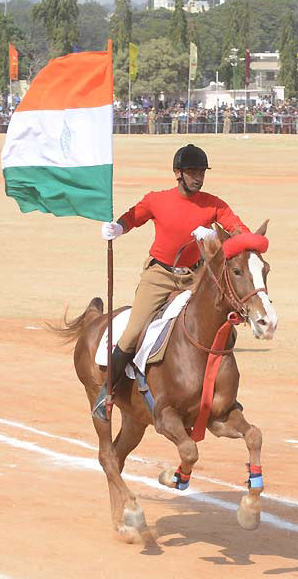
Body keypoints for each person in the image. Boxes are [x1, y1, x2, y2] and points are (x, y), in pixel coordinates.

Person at [98, 144, 250, 419]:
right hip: (160, 275)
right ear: (178, 173)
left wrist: (215, 237)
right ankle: (106, 393)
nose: (198, 177)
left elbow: (239, 229)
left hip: (196, 276)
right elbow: (134, 216)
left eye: (201, 172)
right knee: (133, 332)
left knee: (224, 328)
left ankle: (223, 395)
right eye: (192, 172)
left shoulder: (214, 204)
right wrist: (118, 227)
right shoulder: (158, 199)